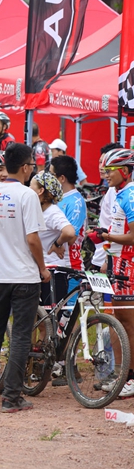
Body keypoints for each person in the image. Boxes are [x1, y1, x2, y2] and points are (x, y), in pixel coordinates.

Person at [0, 143, 49, 412]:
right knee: (20, 336)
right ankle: (11, 396)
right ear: (26, 167)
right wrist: (43, 268)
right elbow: (33, 239)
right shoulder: (27, 196)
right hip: (24, 275)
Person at [96, 148, 134, 398]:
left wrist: (107, 236)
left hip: (128, 264)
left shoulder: (130, 195)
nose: (105, 175)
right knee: (119, 319)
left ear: (124, 171)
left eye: (110, 171)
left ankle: (130, 377)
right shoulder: (121, 193)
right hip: (118, 261)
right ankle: (126, 374)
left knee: (128, 323)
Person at [31, 171, 75, 306]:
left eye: (31, 186)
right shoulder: (37, 210)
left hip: (53, 273)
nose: (28, 189)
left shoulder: (52, 212)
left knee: (51, 319)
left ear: (40, 191)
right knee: (39, 319)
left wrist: (57, 243)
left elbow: (69, 232)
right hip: (38, 271)